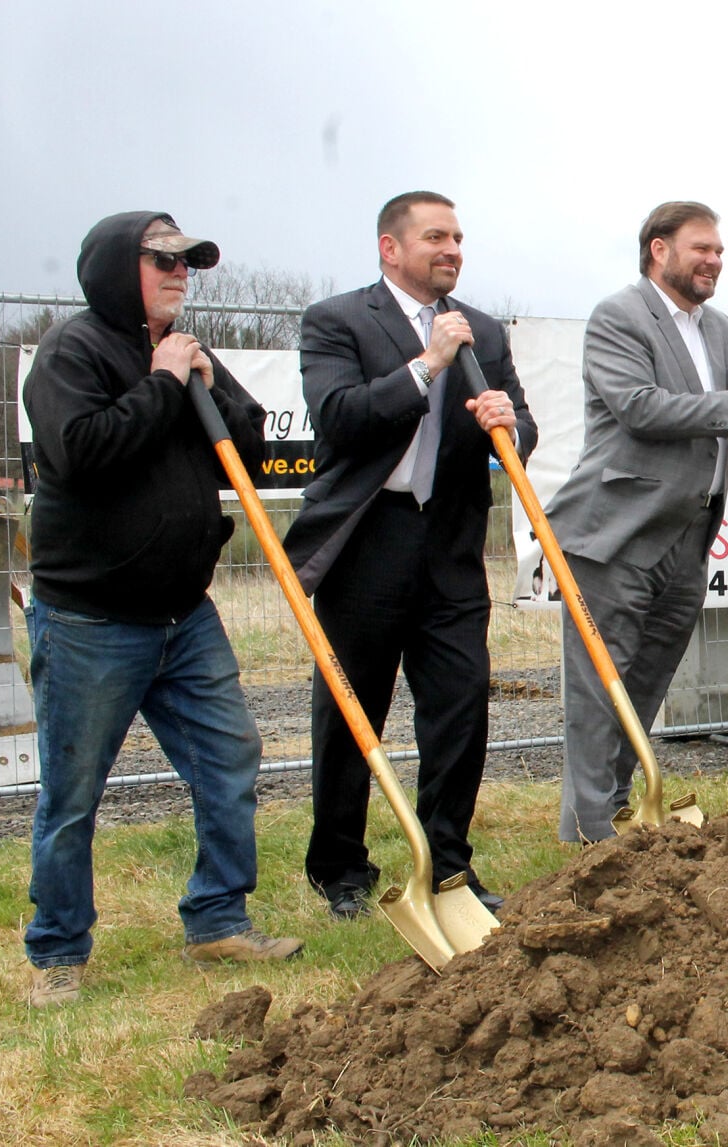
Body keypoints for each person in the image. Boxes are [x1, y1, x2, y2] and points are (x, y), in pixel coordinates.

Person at [20, 212, 302, 1005]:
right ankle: (57, 950)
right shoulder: (72, 353)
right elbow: (79, 453)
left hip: (185, 614)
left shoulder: (185, 350)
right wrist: (164, 383)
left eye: (188, 263)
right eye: (164, 260)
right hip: (90, 620)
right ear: (120, 268)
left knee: (229, 755)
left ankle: (217, 918)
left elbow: (251, 450)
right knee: (73, 793)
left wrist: (206, 381)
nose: (181, 273)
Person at [283, 192, 536, 919]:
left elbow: (521, 429)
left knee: (461, 702)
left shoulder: (482, 330)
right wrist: (427, 365)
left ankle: (448, 864)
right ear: (390, 249)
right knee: (351, 707)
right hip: (369, 540)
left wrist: (509, 425)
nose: (452, 249)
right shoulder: (337, 320)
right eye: (435, 237)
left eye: (457, 237)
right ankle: (340, 867)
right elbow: (340, 417)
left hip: (450, 543)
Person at [546, 201, 728, 842]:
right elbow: (640, 407)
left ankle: (616, 807)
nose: (714, 260)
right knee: (600, 688)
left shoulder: (713, 330)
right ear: (659, 249)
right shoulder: (619, 316)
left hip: (687, 535)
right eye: (701, 248)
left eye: (719, 251)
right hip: (616, 533)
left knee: (645, 684)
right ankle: (588, 830)